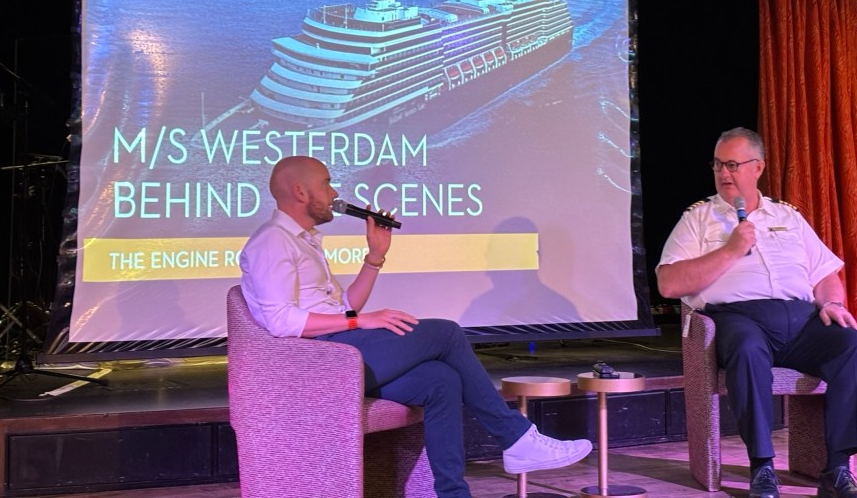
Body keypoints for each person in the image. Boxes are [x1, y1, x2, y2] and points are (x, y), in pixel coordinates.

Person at [239, 155, 592, 498]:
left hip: (340, 350)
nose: (334, 193)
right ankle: (515, 438)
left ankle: (453, 494)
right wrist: (360, 321)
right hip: (323, 362)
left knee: (441, 380)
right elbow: (280, 321)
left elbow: (344, 307)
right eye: (326, 184)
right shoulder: (273, 241)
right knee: (446, 333)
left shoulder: (304, 240)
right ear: (300, 192)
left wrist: (375, 256)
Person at [656, 127, 857, 498]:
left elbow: (824, 274)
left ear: (758, 167)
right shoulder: (698, 218)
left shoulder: (788, 216)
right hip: (739, 319)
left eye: (733, 164)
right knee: (746, 348)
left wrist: (832, 303)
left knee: (852, 345)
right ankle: (762, 468)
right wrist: (729, 250)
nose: (724, 173)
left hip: (802, 321)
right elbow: (668, 284)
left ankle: (836, 470)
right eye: (718, 165)